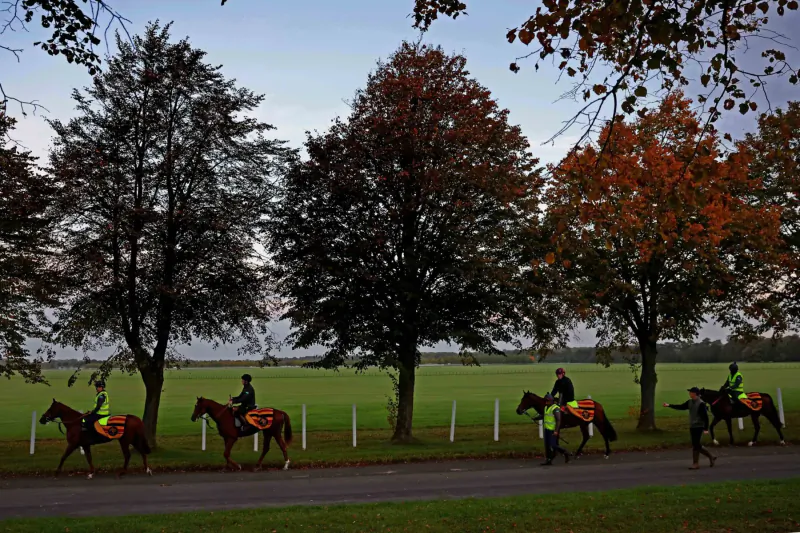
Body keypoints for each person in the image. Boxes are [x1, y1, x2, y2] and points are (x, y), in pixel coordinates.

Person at [663, 387, 717, 470]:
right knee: (696, 444)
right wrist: (669, 405)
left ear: (695, 393)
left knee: (696, 444)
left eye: (690, 392)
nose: (689, 393)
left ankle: (696, 463)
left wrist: (706, 428)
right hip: (693, 426)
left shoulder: (701, 404)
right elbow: (681, 407)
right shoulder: (690, 402)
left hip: (699, 426)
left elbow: (705, 417)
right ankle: (711, 456)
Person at [532, 393, 571, 466]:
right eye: (545, 401)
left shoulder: (555, 408)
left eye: (547, 401)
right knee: (547, 446)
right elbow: (544, 416)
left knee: (553, 445)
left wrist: (556, 431)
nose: (546, 402)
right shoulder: (546, 407)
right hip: (546, 429)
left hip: (552, 430)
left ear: (551, 401)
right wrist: (535, 418)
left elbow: (558, 420)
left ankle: (565, 452)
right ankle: (548, 460)